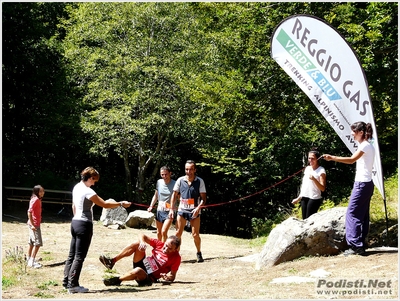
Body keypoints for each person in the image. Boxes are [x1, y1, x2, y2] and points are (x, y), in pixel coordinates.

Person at [63, 166, 131, 294]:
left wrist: (76, 218)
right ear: (90, 178)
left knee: (72, 255)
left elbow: (73, 206)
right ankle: (73, 285)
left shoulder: (76, 187)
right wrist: (120, 203)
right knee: (79, 256)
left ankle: (66, 282)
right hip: (84, 225)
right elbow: (105, 204)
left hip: (75, 222)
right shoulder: (88, 191)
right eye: (94, 180)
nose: (94, 183)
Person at [323, 121, 375, 256]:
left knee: (352, 214)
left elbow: (351, 160)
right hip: (367, 184)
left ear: (361, 133)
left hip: (362, 184)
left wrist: (332, 158)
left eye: (354, 131)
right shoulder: (367, 145)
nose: (352, 134)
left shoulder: (364, 146)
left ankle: (356, 246)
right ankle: (360, 244)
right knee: (362, 215)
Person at [99, 233, 181, 286]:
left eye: (169, 249)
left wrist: (167, 277)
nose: (165, 249)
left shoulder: (176, 258)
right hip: (144, 264)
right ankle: (112, 261)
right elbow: (141, 234)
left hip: (149, 277)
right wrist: (142, 242)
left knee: (137, 271)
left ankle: (117, 280)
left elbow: (173, 276)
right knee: (137, 244)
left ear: (175, 249)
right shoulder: (160, 244)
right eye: (166, 245)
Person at [168, 160, 206, 263]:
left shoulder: (199, 181)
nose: (188, 171)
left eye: (190, 169)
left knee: (195, 234)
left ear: (195, 170)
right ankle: (176, 255)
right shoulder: (180, 180)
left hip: (194, 211)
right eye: (186, 169)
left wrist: (198, 208)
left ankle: (198, 252)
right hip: (182, 210)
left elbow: (203, 198)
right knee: (178, 234)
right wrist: (171, 209)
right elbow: (174, 195)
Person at [292, 148, 327, 219]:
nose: (310, 160)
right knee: (304, 219)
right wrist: (298, 198)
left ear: (317, 159)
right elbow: (304, 185)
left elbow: (322, 188)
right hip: (304, 197)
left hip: (314, 198)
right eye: (309, 158)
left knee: (309, 220)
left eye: (313, 158)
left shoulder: (321, 170)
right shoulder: (307, 168)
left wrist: (314, 179)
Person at [147, 166, 176, 242]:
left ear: (170, 173)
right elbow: (156, 195)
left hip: (169, 211)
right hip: (159, 210)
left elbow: (178, 197)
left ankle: (165, 249)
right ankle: (159, 248)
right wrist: (151, 206)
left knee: (164, 231)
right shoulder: (159, 182)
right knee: (159, 232)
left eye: (166, 174)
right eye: (162, 174)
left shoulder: (175, 184)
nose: (164, 176)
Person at [27, 185, 45, 269]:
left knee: (31, 243)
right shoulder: (36, 200)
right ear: (37, 192)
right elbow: (29, 212)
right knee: (38, 243)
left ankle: (28, 259)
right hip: (34, 225)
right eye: (41, 191)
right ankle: (32, 261)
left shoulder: (35, 198)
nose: (42, 193)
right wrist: (33, 225)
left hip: (32, 224)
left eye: (43, 191)